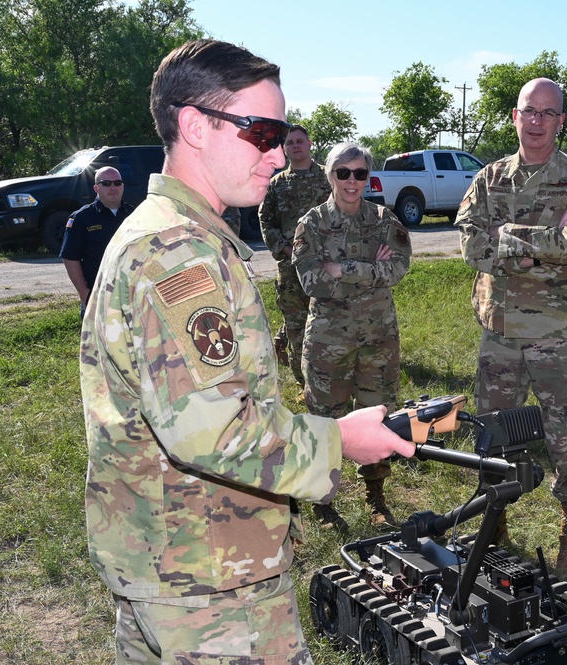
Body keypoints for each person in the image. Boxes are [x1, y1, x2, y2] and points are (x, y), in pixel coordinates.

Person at [79, 39, 414, 664]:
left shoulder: (178, 233)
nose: (279, 152)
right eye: (261, 132)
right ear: (193, 126)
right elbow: (214, 432)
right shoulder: (176, 251)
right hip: (205, 578)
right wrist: (341, 442)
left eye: (283, 133)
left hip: (172, 559)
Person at [455, 78, 567, 581]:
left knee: (565, 435)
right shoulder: (490, 177)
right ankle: (495, 520)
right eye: (529, 111)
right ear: (515, 117)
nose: (537, 121)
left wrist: (508, 235)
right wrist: (540, 241)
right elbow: (471, 245)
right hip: (500, 332)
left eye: (548, 113)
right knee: (493, 432)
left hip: (558, 336)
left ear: (561, 121)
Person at [292, 142, 411, 530]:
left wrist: (343, 269)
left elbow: (397, 268)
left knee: (378, 416)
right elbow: (310, 281)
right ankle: (322, 501)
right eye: (343, 172)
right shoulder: (311, 225)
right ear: (329, 175)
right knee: (325, 421)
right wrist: (369, 272)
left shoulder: (383, 219)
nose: (351, 181)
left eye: (360, 173)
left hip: (378, 339)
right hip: (329, 343)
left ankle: (375, 495)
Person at [259, 125, 332, 388]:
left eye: (300, 141)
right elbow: (266, 221)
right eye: (290, 143)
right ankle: (305, 384)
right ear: (284, 149)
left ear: (310, 144)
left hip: (327, 266)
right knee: (296, 326)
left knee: (329, 323)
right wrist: (287, 250)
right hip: (291, 269)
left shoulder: (330, 177)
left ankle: (332, 378)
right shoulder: (277, 184)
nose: (295, 146)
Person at [58, 166, 133, 316]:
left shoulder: (133, 215)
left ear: (123, 186)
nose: (113, 187)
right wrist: (85, 294)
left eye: (117, 183)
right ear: (96, 188)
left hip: (131, 296)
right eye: (106, 183)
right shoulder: (81, 218)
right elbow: (70, 258)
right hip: (98, 296)